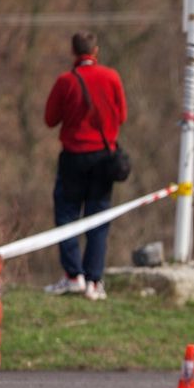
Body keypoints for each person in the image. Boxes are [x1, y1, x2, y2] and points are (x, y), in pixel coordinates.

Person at [43, 32, 127, 300]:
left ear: (73, 52)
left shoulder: (66, 81)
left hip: (73, 156)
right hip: (104, 157)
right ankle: (94, 281)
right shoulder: (112, 77)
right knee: (98, 217)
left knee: (67, 215)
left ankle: (73, 275)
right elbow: (122, 115)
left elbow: (50, 119)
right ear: (96, 51)